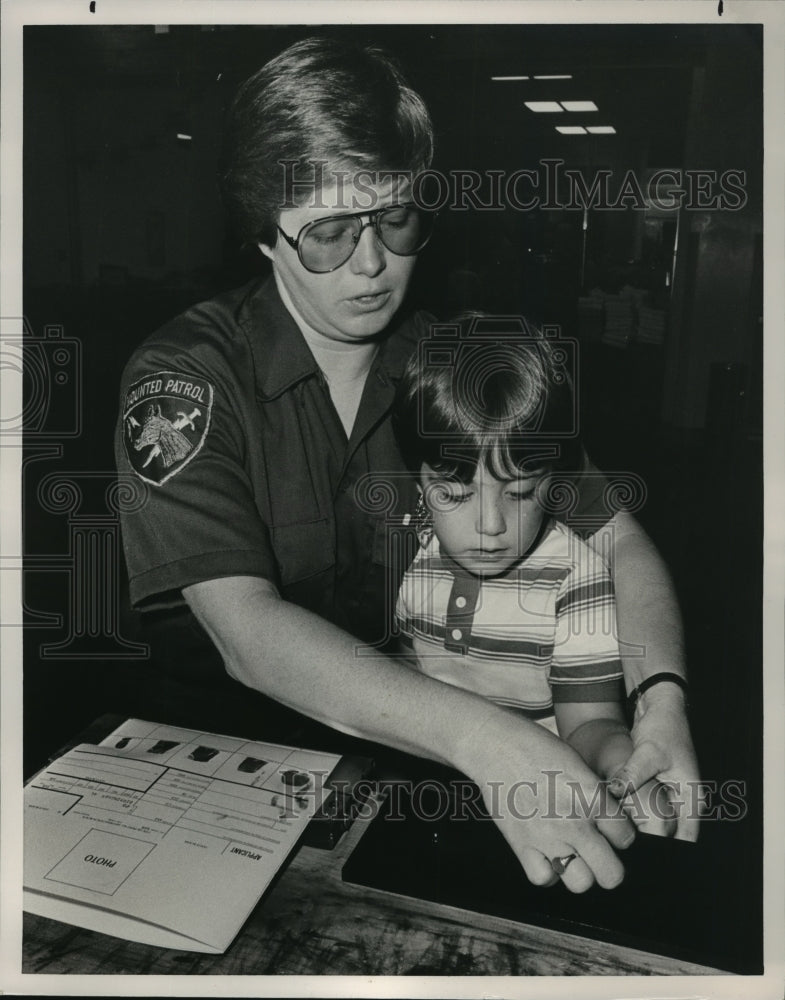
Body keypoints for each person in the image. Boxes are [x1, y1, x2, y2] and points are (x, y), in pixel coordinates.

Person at [115, 36, 698, 895]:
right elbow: (246, 634)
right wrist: (488, 739)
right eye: (327, 233)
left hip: (400, 756)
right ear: (263, 236)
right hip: (215, 762)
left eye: (394, 220)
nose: (371, 264)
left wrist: (660, 701)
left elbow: (621, 544)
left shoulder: (453, 367)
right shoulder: (185, 383)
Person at [392, 317, 676, 835]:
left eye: (520, 492)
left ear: (556, 481)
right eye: (453, 494)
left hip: (535, 808)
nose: (490, 525)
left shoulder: (576, 581)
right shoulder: (416, 556)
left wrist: (619, 766)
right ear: (419, 481)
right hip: (432, 796)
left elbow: (589, 724)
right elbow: (409, 671)